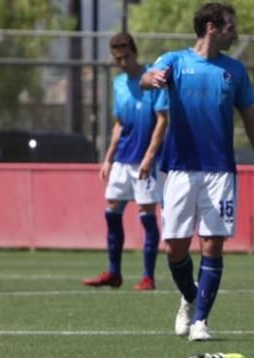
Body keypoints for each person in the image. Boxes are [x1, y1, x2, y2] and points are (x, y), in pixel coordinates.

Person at [142, 2, 254, 341]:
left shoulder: (235, 71)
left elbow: (252, 121)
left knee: (212, 245)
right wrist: (153, 78)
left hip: (220, 171)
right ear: (211, 27)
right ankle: (190, 298)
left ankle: (201, 321)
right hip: (179, 169)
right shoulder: (175, 61)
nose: (236, 33)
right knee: (174, 247)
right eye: (231, 27)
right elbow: (147, 78)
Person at [83, 32, 168, 291]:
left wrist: (150, 156)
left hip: (145, 161)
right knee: (111, 212)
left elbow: (163, 120)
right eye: (118, 58)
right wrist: (108, 159)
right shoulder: (119, 83)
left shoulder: (153, 78)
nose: (123, 62)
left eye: (127, 56)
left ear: (135, 53)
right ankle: (114, 272)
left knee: (146, 215)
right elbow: (119, 123)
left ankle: (148, 277)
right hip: (122, 159)